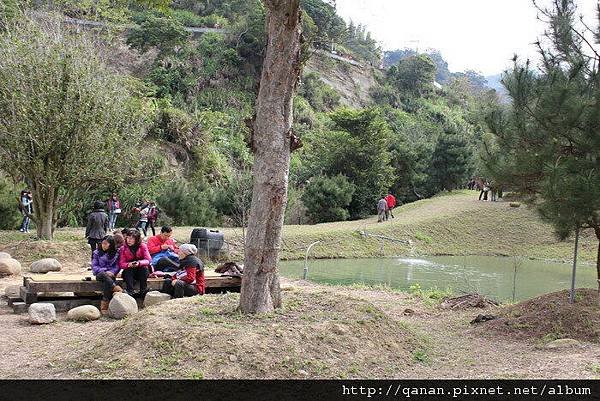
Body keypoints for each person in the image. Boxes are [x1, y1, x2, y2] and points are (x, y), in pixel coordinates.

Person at [91, 235, 123, 315]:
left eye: (106, 244)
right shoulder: (96, 252)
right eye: (102, 243)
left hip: (111, 275)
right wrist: (106, 271)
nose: (103, 245)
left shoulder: (117, 252)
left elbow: (117, 266)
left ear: (111, 244)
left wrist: (112, 272)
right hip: (100, 274)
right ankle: (116, 288)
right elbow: (94, 267)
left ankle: (104, 305)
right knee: (104, 275)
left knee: (107, 282)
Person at [118, 229, 151, 297]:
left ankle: (143, 290)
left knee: (144, 268)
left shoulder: (142, 246)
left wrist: (139, 263)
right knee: (128, 269)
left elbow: (148, 260)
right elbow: (121, 264)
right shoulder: (123, 248)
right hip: (129, 272)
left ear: (136, 239)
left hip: (141, 270)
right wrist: (128, 264)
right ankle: (130, 291)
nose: (129, 240)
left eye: (132, 238)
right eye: (128, 238)